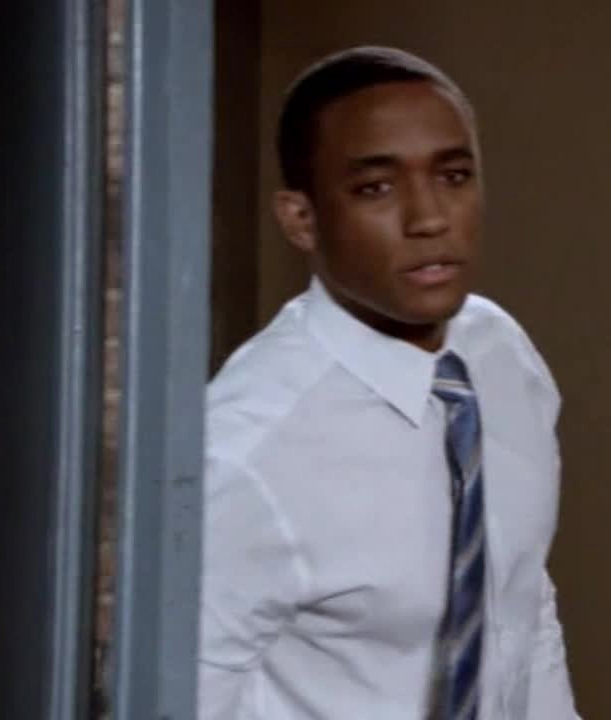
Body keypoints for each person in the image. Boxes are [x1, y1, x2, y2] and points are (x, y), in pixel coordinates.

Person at [198, 46, 580, 719]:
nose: (429, 218)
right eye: (376, 188)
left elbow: (522, 606)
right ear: (301, 219)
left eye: (454, 176)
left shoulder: (503, 357)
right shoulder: (244, 450)